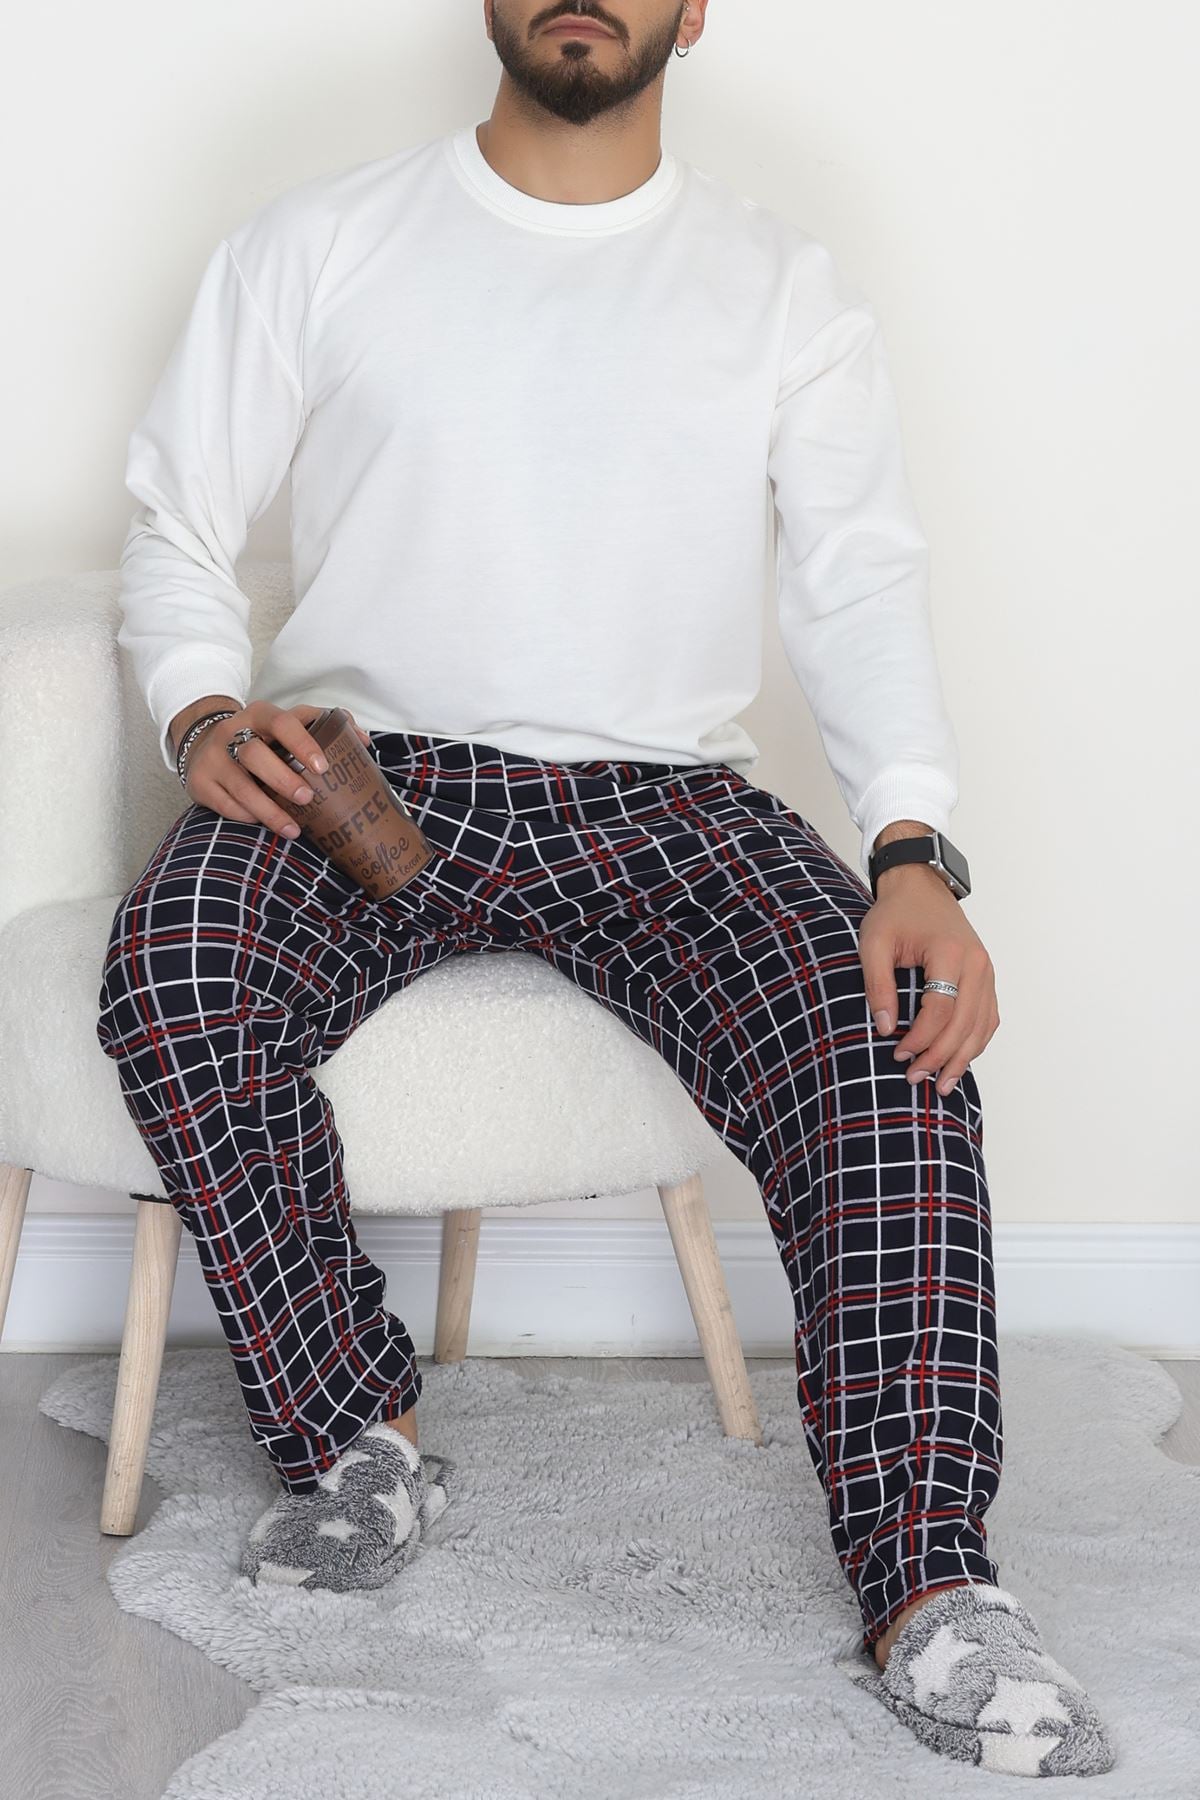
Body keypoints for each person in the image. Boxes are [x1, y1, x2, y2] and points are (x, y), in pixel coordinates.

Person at [95, 0, 1115, 1776]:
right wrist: (198, 709)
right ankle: (357, 1437)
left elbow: (858, 584)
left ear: (694, 8)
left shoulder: (782, 285)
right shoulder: (319, 241)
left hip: (666, 801)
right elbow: (178, 521)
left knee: (885, 1039)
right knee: (178, 969)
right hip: (374, 780)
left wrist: (913, 846)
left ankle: (933, 1584)